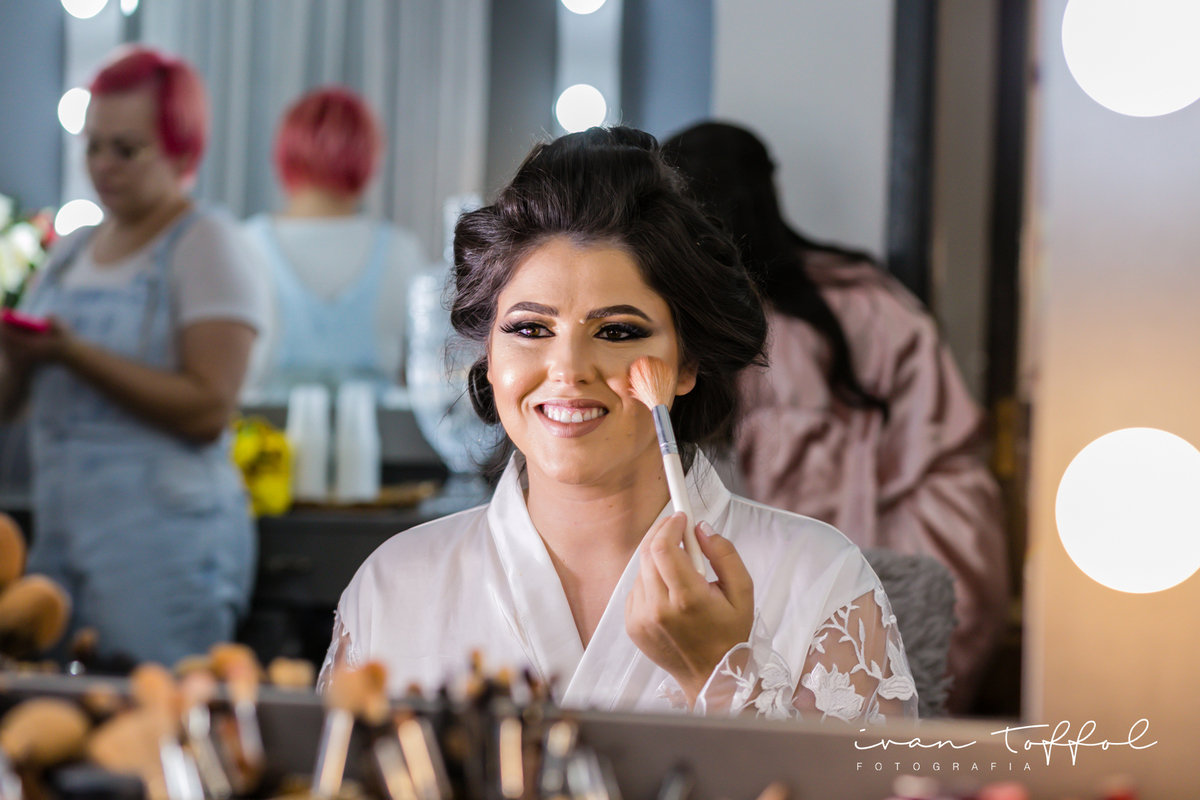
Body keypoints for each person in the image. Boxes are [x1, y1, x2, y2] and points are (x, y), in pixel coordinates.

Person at [321, 127, 918, 723]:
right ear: (489, 355)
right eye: (530, 329)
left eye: (617, 331)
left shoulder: (819, 581)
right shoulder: (392, 586)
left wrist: (720, 675)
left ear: (686, 363)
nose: (568, 369)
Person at [662, 121, 1009, 713]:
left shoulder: (783, 331)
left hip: (895, 543)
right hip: (958, 532)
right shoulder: (866, 292)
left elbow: (808, 506)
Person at [0, 46, 263, 666]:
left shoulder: (206, 243)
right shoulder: (72, 250)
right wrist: (20, 357)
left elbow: (208, 408)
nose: (102, 165)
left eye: (126, 149)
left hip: (162, 554)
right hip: (62, 543)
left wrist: (73, 354)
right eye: (93, 146)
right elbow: (10, 404)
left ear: (181, 150)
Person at [241, 86, 426, 399]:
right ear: (369, 158)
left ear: (284, 152)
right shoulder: (403, 251)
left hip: (263, 429)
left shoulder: (244, 245)